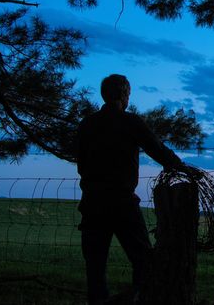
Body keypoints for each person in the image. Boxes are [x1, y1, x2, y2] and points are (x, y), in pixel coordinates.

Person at [76, 74, 183, 305]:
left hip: (92, 203)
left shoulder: (87, 124)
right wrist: (179, 166)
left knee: (95, 266)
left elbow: (81, 165)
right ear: (124, 94)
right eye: (128, 93)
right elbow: (156, 148)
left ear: (104, 95)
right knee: (143, 259)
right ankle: (139, 298)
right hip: (122, 203)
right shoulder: (130, 122)